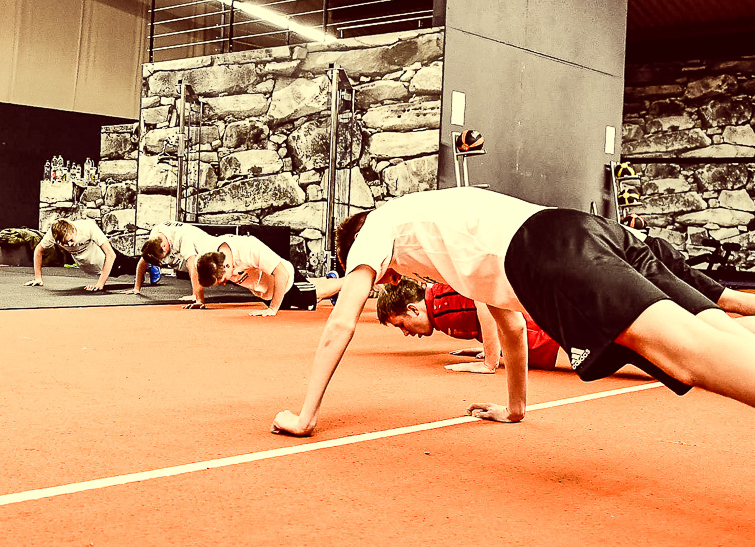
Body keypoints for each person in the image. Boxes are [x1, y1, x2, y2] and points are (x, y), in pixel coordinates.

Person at [271, 186, 755, 438]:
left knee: (691, 354)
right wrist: (517, 409)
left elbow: (341, 320)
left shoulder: (377, 226)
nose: (389, 280)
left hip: (547, 255)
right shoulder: (447, 236)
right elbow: (510, 324)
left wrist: (305, 414)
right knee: (718, 329)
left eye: (384, 273)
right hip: (582, 227)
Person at [376, 278, 563, 372]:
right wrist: (493, 346)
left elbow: (484, 300)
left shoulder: (441, 307)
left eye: (401, 324)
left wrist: (489, 362)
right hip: (536, 319)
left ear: (413, 309)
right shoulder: (438, 308)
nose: (405, 333)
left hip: (540, 322)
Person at [191, 236, 342, 315]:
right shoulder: (209, 256)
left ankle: (351, 281)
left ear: (226, 265)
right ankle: (329, 280)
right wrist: (199, 299)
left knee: (316, 295)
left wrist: (273, 309)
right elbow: (196, 268)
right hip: (266, 292)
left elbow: (281, 273)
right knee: (312, 287)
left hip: (286, 281)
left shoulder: (249, 248)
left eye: (223, 280)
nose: (224, 284)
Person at [26, 218, 140, 292]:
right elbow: (38, 250)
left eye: (71, 240)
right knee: (118, 272)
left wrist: (100, 284)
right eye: (65, 243)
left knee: (128, 266)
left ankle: (149, 263)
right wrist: (38, 278)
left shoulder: (88, 227)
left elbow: (111, 254)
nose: (70, 245)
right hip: (90, 265)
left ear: (74, 230)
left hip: (106, 259)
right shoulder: (53, 234)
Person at [121, 221, 219, 299]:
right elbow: (143, 261)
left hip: (211, 252)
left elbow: (192, 264)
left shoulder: (181, 237)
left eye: (162, 256)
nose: (163, 259)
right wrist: (136, 288)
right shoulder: (154, 236)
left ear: (163, 246)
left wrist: (196, 295)